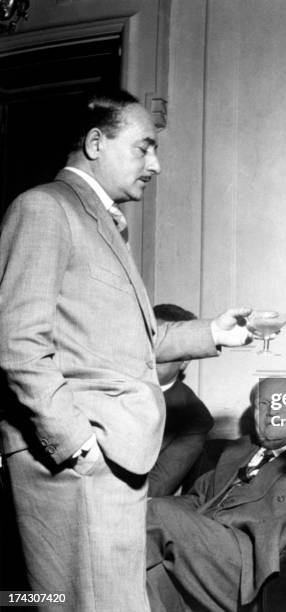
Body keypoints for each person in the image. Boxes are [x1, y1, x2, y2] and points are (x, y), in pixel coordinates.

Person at [0, 89, 252, 612]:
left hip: (112, 462)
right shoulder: (43, 208)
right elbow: (18, 344)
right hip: (79, 464)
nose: (154, 164)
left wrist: (214, 333)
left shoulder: (108, 225)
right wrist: (77, 445)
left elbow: (138, 339)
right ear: (96, 143)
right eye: (144, 147)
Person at [146, 377, 286, 612]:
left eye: (283, 401)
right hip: (202, 549)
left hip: (252, 562)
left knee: (153, 514)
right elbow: (197, 498)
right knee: (150, 574)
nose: (272, 409)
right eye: (262, 404)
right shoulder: (236, 451)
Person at [148, 304, 214, 498]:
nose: (150, 357)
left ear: (185, 360)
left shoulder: (195, 418)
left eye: (164, 349)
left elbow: (157, 487)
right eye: (148, 346)